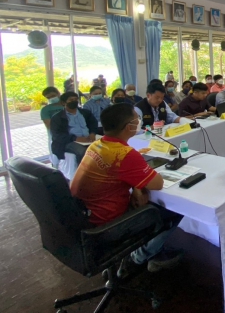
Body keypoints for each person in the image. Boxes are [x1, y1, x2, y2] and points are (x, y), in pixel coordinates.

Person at [70, 103, 184, 274]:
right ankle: (140, 256)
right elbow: (158, 183)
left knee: (145, 197)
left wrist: (137, 185)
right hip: (108, 224)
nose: (139, 121)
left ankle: (150, 251)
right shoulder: (123, 153)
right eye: (136, 119)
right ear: (129, 127)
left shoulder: (96, 145)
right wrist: (139, 184)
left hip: (85, 217)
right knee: (173, 208)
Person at [50, 92, 99, 162]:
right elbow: (57, 135)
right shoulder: (57, 118)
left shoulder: (85, 112)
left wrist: (92, 133)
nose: (74, 101)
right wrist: (75, 138)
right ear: (64, 103)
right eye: (71, 100)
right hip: (69, 141)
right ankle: (84, 169)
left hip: (88, 138)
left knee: (104, 147)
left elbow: (93, 123)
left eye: (76, 99)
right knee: (83, 152)